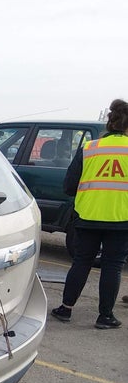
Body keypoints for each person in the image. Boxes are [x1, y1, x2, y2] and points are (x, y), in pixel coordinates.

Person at [51, 98, 128, 329]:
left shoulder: (90, 148)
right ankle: (105, 317)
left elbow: (69, 186)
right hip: (121, 218)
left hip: (87, 216)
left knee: (81, 262)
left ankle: (65, 309)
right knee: (112, 266)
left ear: (109, 122)